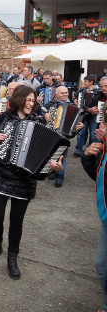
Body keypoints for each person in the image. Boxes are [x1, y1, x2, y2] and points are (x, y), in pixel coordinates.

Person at [0, 84, 63, 280]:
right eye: (29, 100)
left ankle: (12, 257)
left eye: (34, 101)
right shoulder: (3, 118)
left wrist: (54, 167)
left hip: (25, 179)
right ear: (19, 99)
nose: (31, 104)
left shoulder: (39, 121)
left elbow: (49, 151)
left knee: (17, 221)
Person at [81, 108, 107, 312]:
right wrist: (88, 156)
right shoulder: (104, 146)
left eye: (104, 123)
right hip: (105, 218)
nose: (100, 126)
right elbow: (98, 179)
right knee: (102, 266)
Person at [43, 86, 84, 187]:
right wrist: (45, 115)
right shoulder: (50, 104)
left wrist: (81, 125)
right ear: (56, 94)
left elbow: (79, 121)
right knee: (51, 154)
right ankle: (53, 171)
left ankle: (59, 178)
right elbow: (41, 112)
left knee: (62, 156)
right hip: (51, 134)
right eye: (62, 93)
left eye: (66, 92)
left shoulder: (74, 107)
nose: (65, 94)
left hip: (64, 136)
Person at [74, 74, 99, 157]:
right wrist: (75, 100)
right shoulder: (82, 91)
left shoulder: (98, 91)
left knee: (93, 134)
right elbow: (76, 97)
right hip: (83, 115)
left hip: (93, 115)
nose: (84, 83)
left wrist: (97, 108)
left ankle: (90, 149)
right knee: (81, 132)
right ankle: (79, 149)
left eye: (85, 81)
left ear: (91, 82)